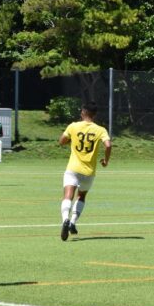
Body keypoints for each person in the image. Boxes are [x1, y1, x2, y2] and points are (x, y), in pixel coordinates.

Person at [58, 101, 112, 241]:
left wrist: (71, 141)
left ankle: (65, 219)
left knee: (68, 196)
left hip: (73, 168)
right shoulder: (100, 130)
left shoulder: (73, 126)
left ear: (83, 112)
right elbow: (108, 145)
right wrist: (106, 161)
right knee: (81, 196)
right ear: (94, 115)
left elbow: (61, 141)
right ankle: (73, 222)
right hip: (89, 172)